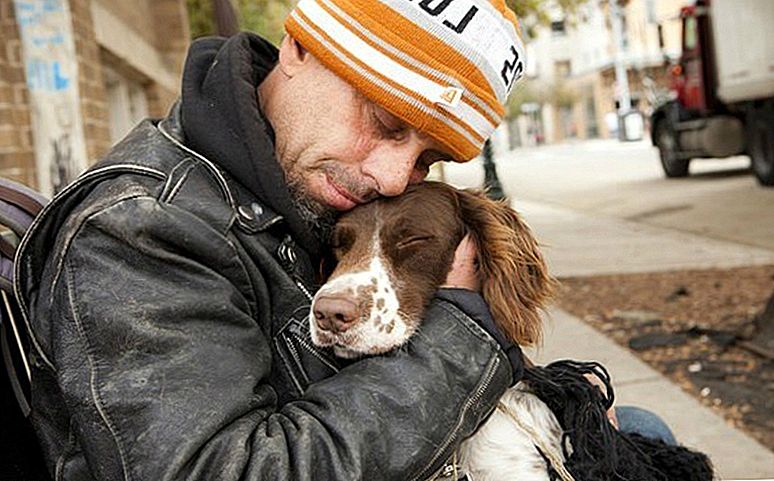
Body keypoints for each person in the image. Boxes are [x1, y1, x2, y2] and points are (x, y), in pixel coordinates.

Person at [15, 0, 672, 479]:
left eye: (426, 158)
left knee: (637, 431)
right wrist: (464, 335)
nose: (391, 176)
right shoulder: (140, 227)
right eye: (385, 123)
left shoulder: (296, 181)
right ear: (301, 47)